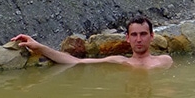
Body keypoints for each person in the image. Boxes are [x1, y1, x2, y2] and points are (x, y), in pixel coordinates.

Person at [11, 16, 173, 69]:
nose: (139, 39)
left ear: (152, 36)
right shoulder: (119, 61)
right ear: (127, 38)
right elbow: (76, 61)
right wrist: (40, 47)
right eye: (134, 35)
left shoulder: (165, 61)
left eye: (143, 34)